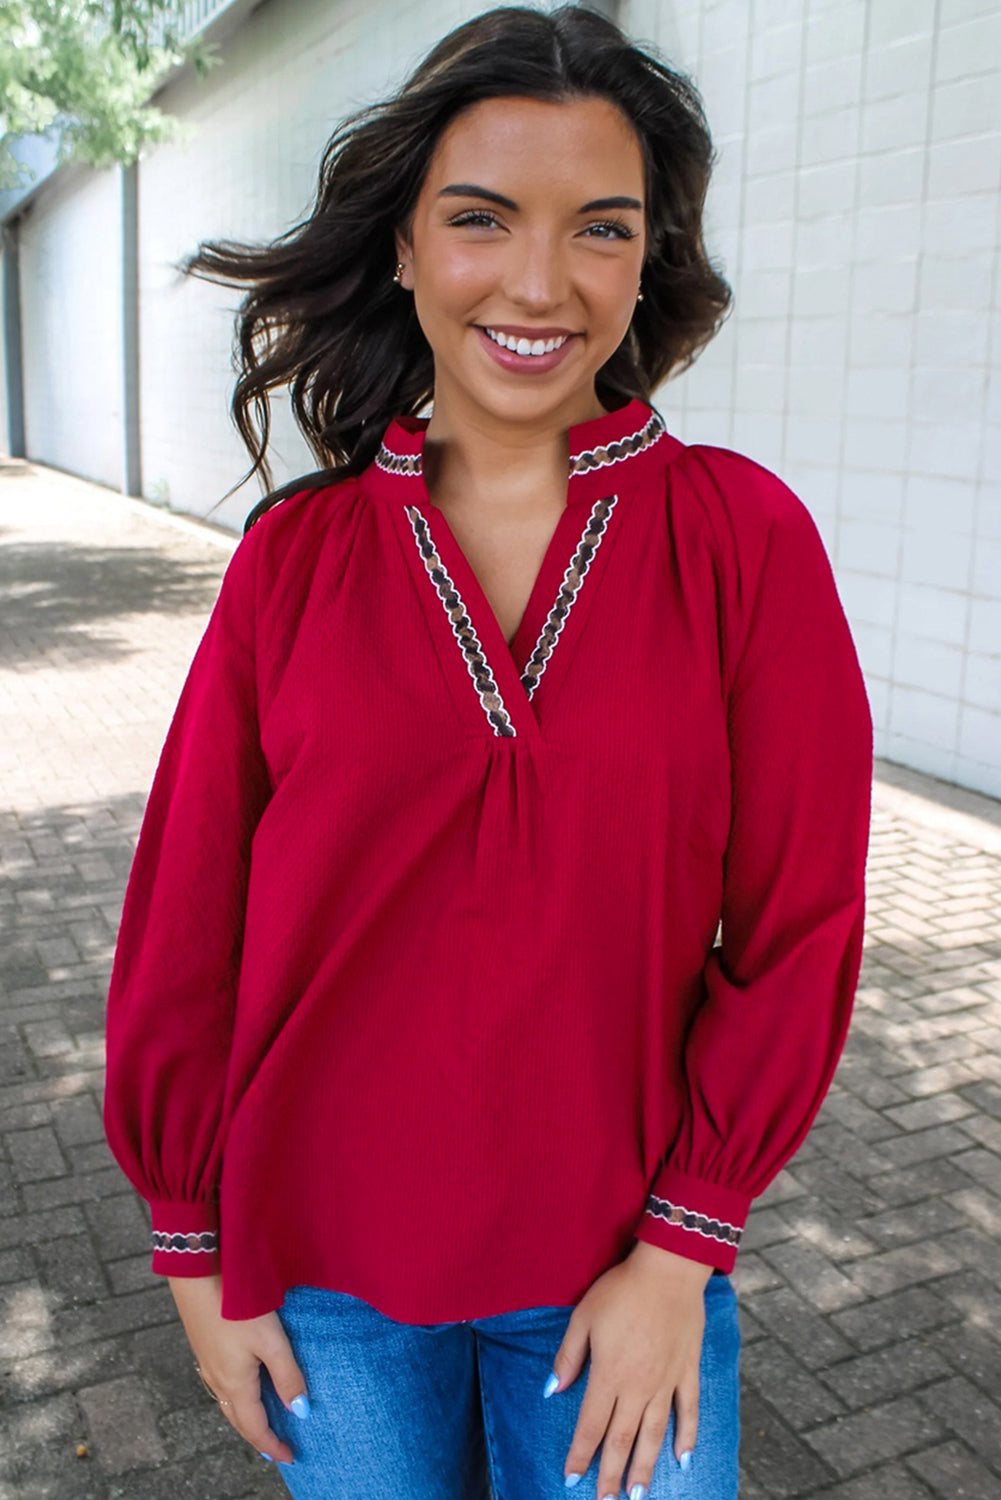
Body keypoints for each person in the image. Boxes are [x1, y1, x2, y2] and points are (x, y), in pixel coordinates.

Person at [101, 6, 874, 1498]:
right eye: (479, 219)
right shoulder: (295, 562)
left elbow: (799, 926)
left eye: (599, 227)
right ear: (400, 246)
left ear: (647, 257)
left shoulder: (740, 540)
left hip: (618, 1272)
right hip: (324, 1273)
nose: (537, 281)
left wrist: (683, 1246)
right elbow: (185, 921)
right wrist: (192, 1240)